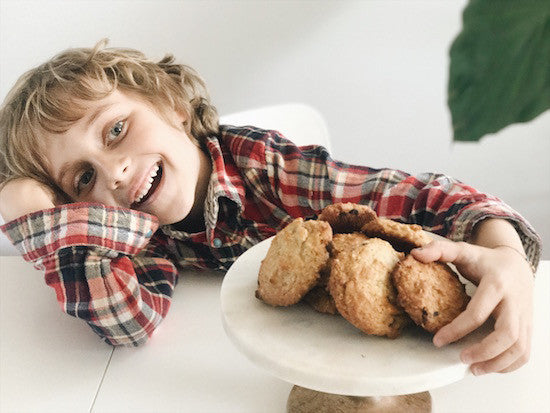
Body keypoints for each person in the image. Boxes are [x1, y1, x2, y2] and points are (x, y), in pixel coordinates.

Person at [0, 40, 541, 377]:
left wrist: (506, 256)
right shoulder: (132, 231)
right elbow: (128, 326)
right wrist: (45, 226)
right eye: (84, 177)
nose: (114, 172)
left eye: (116, 129)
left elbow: (434, 196)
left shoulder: (270, 171)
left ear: (172, 104)